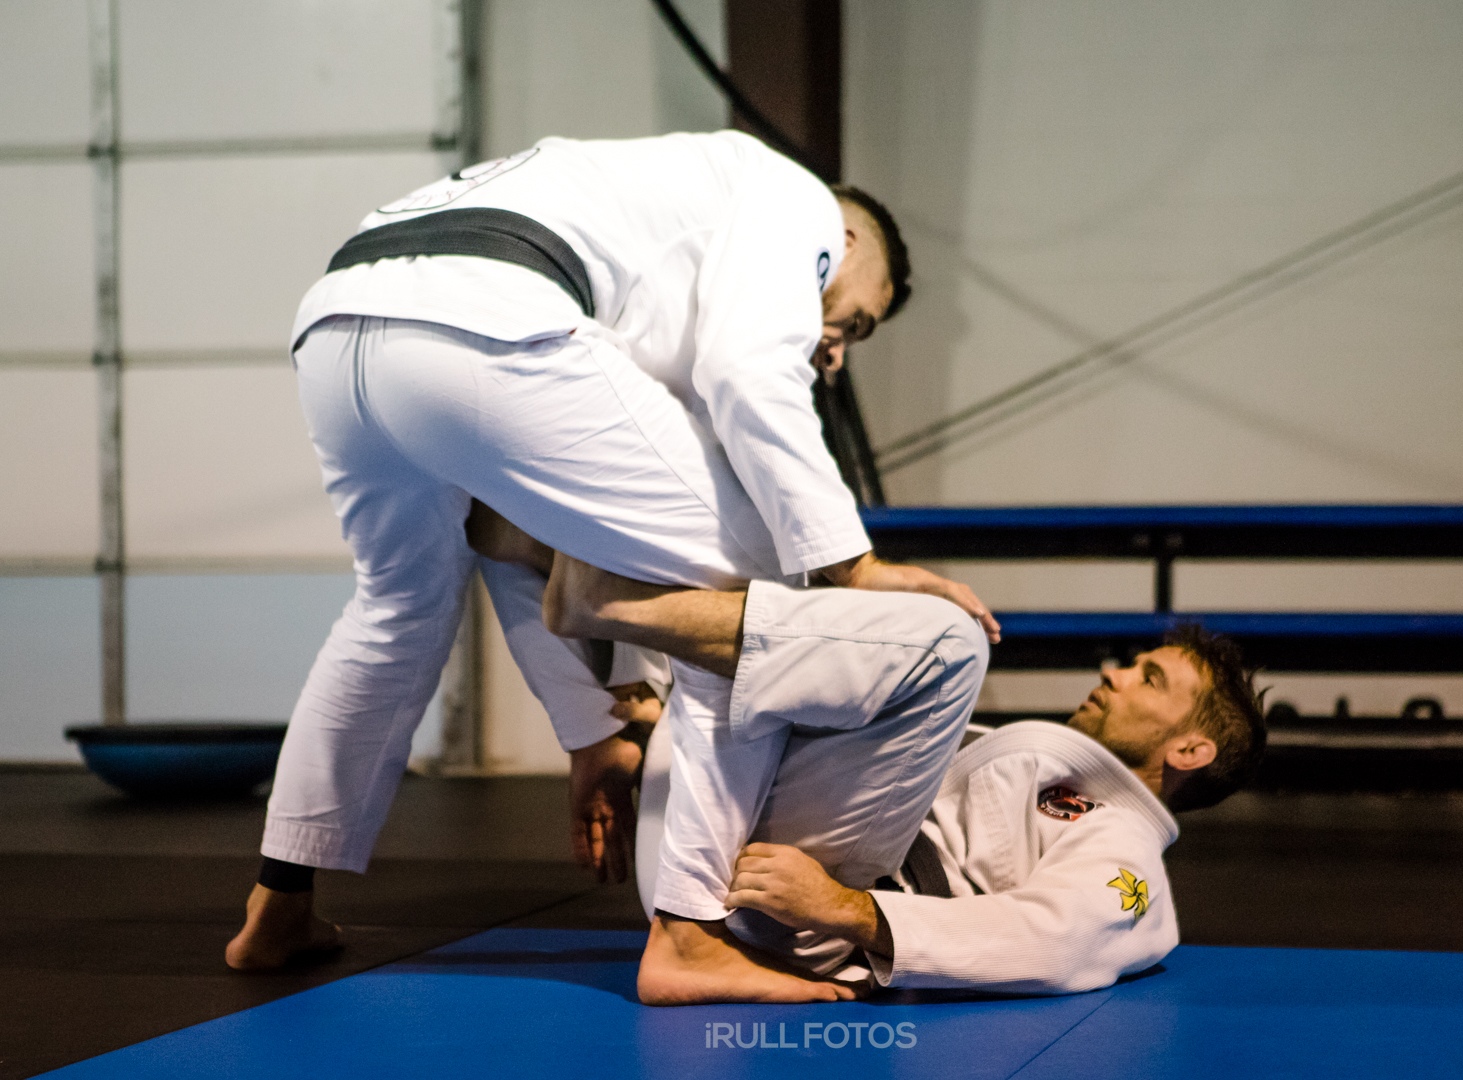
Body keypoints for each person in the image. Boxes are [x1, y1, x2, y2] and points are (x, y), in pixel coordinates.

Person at [226, 132, 998, 1000]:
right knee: (753, 595)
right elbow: (748, 371)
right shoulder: (800, 203)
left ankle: (278, 905)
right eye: (854, 321)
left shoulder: (666, 251)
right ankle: (690, 935)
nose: (836, 353)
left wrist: (592, 727)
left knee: (396, 608)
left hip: (340, 322)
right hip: (488, 313)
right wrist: (851, 566)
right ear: (847, 244)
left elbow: (548, 547)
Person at [618, 607, 1267, 998]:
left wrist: (842, 907)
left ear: (1190, 750)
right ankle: (631, 735)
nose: (1113, 673)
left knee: (949, 646)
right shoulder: (1054, 772)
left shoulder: (1127, 852)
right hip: (707, 860)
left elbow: (1057, 940)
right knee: (728, 576)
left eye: (1148, 679)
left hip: (798, 909)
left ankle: (633, 702)